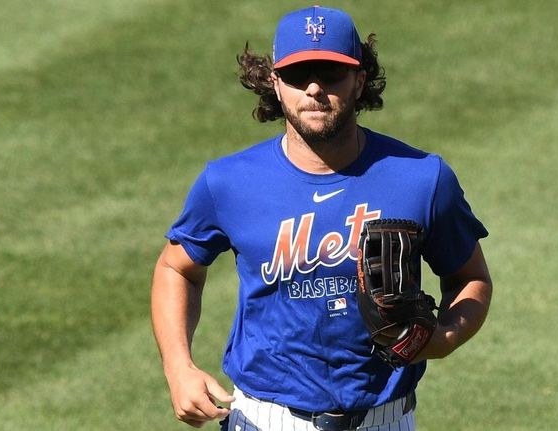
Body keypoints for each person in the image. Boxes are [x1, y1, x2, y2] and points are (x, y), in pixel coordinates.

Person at [151, 5, 492, 431]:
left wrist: (446, 336)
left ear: (360, 80)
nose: (314, 88)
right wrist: (178, 368)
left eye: (331, 73)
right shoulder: (228, 183)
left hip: (384, 420)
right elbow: (176, 268)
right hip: (264, 419)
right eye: (298, 74)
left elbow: (469, 276)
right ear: (275, 84)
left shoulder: (421, 178)